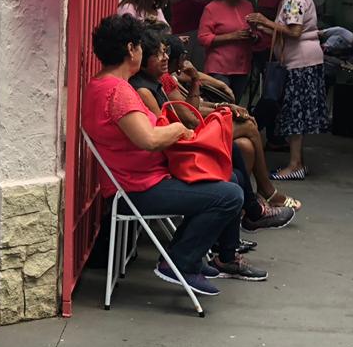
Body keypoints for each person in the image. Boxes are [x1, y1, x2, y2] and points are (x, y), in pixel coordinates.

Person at [81, 15, 258, 295]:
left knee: (230, 180)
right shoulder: (118, 91)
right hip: (137, 189)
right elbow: (149, 140)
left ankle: (185, 258)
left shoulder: (100, 84)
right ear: (131, 49)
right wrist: (177, 130)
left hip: (139, 182)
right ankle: (180, 262)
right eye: (140, 46)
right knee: (230, 194)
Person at [129, 28, 293, 235]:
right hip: (177, 152)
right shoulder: (149, 87)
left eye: (166, 52)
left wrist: (214, 99)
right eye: (159, 54)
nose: (165, 58)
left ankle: (245, 219)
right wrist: (207, 97)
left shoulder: (158, 81)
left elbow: (187, 112)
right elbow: (186, 118)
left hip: (181, 142)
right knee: (245, 135)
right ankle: (261, 198)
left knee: (241, 148)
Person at [248, 0, 327, 180]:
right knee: (295, 113)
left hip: (300, 62)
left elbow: (294, 31)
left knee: (294, 114)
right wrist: (264, 27)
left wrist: (265, 21)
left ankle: (294, 165)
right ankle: (298, 162)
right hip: (302, 60)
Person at [198, 0, 255, 103]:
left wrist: (254, 36)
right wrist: (232, 36)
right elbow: (203, 38)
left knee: (236, 104)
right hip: (219, 67)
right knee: (222, 105)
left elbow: (254, 30)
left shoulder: (247, 6)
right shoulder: (212, 8)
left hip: (242, 66)